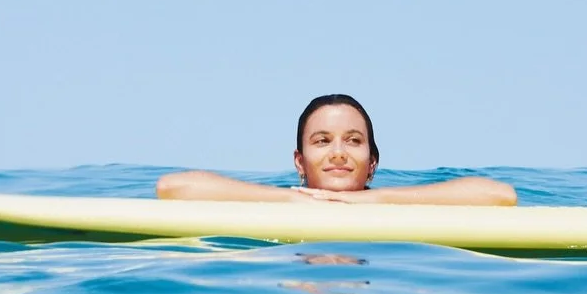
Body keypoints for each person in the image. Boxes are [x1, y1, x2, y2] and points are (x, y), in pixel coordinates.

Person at [156, 94, 517, 206]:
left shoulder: (389, 204)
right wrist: (291, 200)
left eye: (354, 140)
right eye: (322, 140)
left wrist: (377, 200)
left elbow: (499, 195)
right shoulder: (282, 202)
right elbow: (172, 187)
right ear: (299, 161)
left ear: (373, 163)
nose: (339, 153)